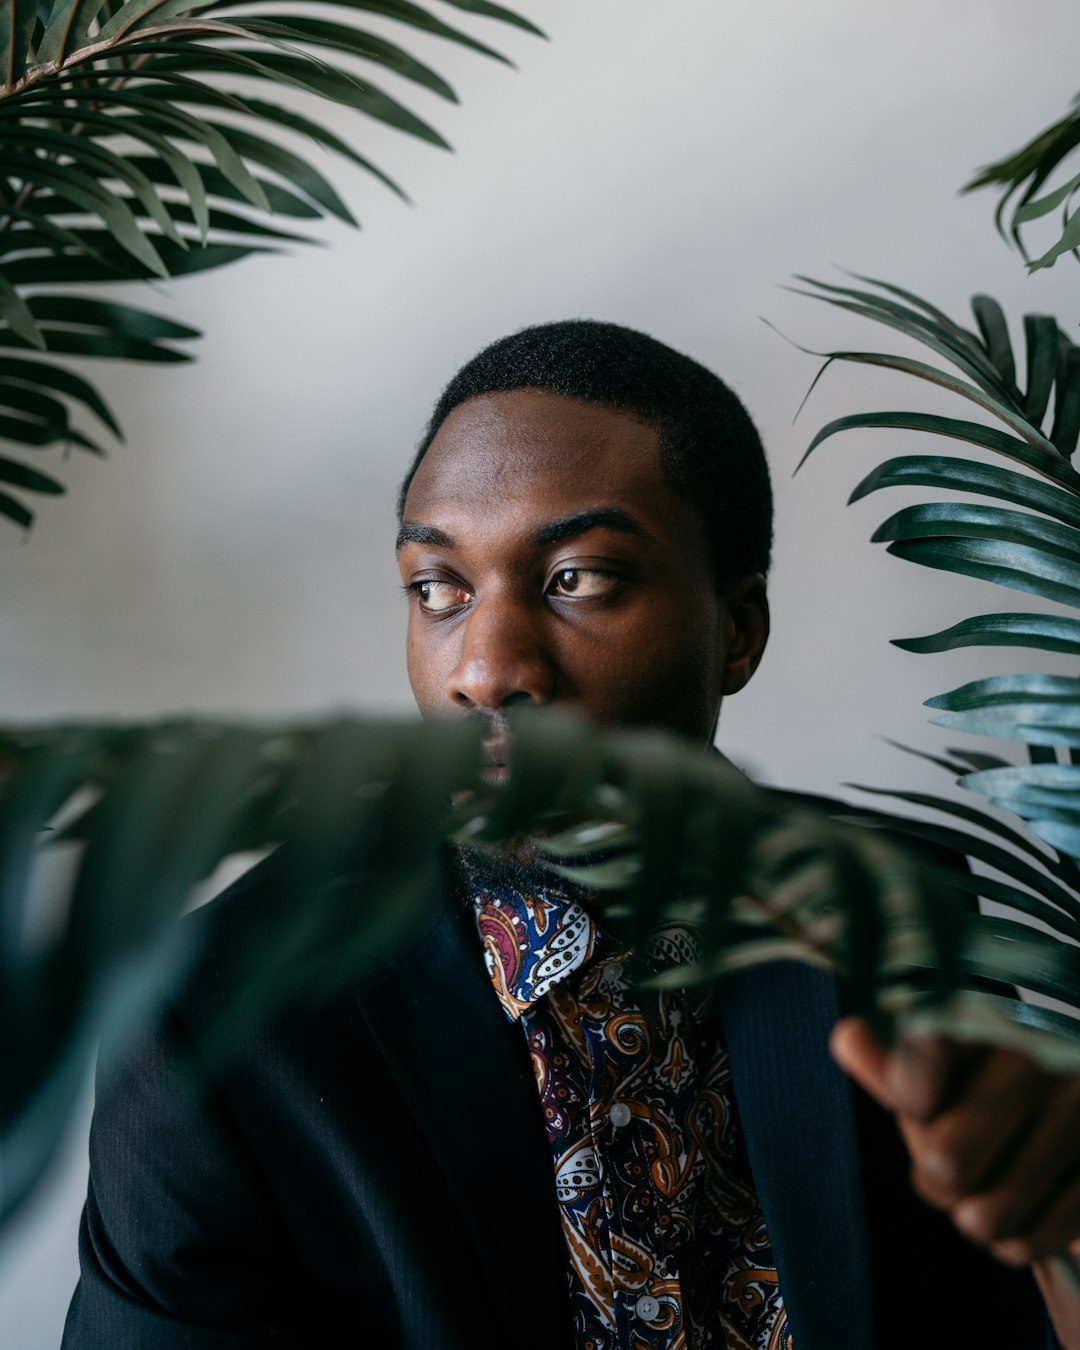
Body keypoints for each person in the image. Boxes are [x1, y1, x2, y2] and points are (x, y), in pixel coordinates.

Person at [63, 320, 1080, 1349]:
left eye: (577, 577)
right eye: (438, 590)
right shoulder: (210, 1016)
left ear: (736, 631)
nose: (486, 668)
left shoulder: (894, 901)